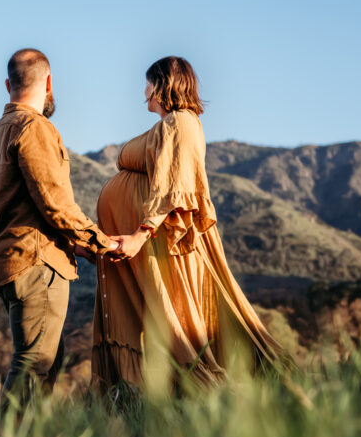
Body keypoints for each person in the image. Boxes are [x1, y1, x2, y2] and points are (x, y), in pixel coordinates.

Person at [91, 56, 281, 397]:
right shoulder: (170, 124)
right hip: (148, 244)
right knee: (161, 315)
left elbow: (173, 185)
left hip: (160, 243)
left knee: (174, 315)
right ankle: (148, 394)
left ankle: (207, 390)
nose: (143, 91)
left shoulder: (180, 123)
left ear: (163, 85)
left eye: (148, 83)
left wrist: (140, 234)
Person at [0, 48, 118, 401]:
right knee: (34, 365)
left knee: (45, 362)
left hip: (7, 261)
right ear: (49, 82)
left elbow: (25, 206)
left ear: (8, 84)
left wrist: (76, 245)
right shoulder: (34, 127)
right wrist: (101, 242)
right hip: (34, 262)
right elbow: (55, 201)